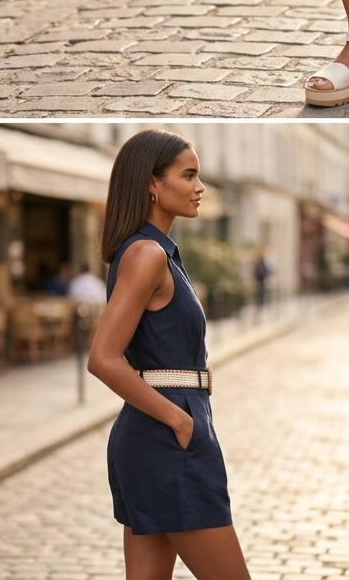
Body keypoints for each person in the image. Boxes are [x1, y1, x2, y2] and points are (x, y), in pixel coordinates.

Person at [87, 129, 251, 580]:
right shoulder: (147, 254)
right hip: (166, 434)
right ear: (153, 184)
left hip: (155, 434)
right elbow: (103, 357)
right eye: (189, 174)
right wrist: (181, 421)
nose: (200, 187)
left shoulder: (156, 253)